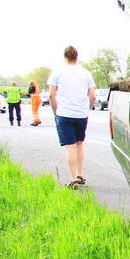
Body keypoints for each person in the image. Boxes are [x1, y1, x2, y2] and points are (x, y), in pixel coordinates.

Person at [47, 46, 95, 189]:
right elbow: (92, 95)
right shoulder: (85, 73)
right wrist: (87, 109)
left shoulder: (57, 73)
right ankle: (79, 174)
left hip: (64, 113)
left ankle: (74, 177)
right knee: (79, 144)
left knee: (70, 147)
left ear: (65, 57)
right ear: (77, 57)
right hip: (81, 114)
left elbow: (51, 95)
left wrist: (55, 110)